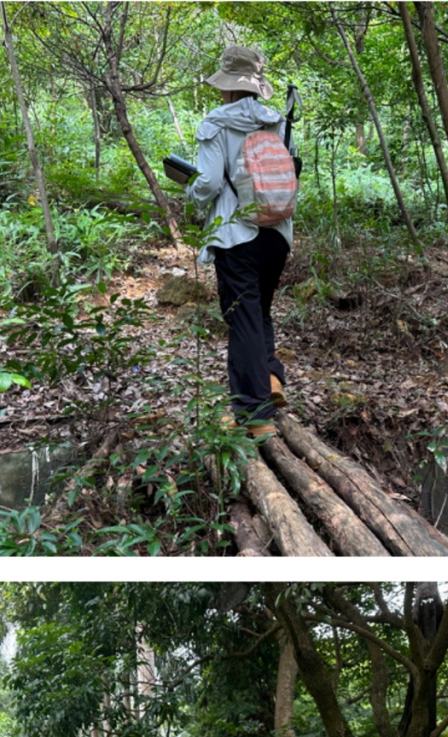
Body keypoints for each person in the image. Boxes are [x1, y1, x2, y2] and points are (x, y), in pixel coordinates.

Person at [165, 44, 294, 440]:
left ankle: (255, 415)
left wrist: (189, 188)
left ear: (228, 85)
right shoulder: (277, 121)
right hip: (277, 232)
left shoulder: (217, 123)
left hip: (237, 234)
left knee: (242, 319)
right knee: (260, 312)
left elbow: (207, 183)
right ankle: (270, 379)